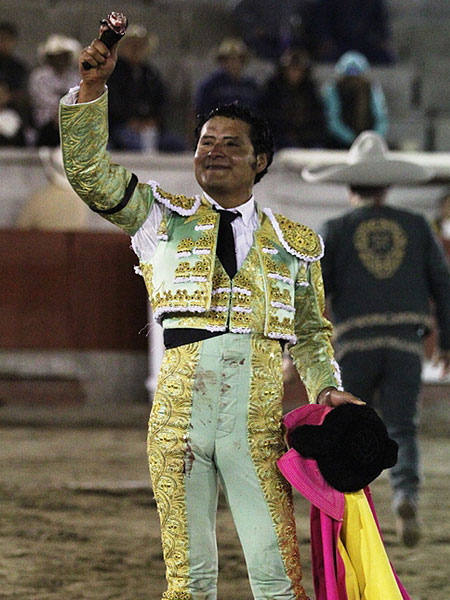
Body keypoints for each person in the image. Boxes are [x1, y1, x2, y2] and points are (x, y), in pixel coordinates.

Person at [59, 30, 363, 600]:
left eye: (230, 143)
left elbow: (310, 335)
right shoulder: (158, 218)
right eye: (205, 142)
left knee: (278, 578)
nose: (213, 151)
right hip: (176, 424)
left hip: (257, 428)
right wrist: (92, 91)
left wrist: (327, 390)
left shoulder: (295, 244)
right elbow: (89, 174)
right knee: (188, 581)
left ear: (260, 160)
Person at [303, 130, 450, 547]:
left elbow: (314, 293)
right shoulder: (416, 226)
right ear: (387, 186)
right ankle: (405, 495)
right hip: (405, 344)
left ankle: (349, 509)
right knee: (402, 424)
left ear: (350, 186)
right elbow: (443, 285)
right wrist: (447, 343)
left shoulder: (335, 229)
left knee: (349, 425)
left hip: (354, 345)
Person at [106, 25, 183, 153]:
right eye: (132, 44)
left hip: (150, 127)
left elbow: (162, 101)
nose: (136, 48)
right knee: (134, 145)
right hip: (121, 126)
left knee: (176, 145)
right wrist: (130, 121)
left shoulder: (151, 73)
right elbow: (112, 102)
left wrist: (154, 120)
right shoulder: (113, 73)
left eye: (140, 45)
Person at [258, 48, 326, 149]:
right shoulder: (273, 89)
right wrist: (286, 131)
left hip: (307, 137)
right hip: (279, 137)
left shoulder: (310, 90)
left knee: (318, 149)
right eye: (291, 69)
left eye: (298, 70)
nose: (294, 73)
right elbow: (267, 115)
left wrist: (306, 133)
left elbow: (317, 116)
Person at [322, 51, 388, 149]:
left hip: (368, 143)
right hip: (338, 144)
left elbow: (381, 117)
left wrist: (372, 138)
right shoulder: (333, 88)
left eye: (357, 76)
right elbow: (333, 119)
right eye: (348, 76)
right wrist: (351, 138)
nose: (353, 79)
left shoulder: (371, 88)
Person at [29, 34, 81, 146]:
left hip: (72, 121)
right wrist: (59, 112)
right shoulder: (39, 76)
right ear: (50, 58)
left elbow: (78, 99)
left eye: (63, 56)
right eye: (56, 56)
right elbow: (43, 100)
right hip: (45, 123)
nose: (60, 60)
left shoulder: (76, 77)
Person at [311, 0, 395, 64]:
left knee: (385, 58)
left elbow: (381, 27)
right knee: (327, 58)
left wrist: (381, 41)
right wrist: (325, 42)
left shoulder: (374, 2)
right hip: (338, 44)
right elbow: (321, 24)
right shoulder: (328, 2)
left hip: (365, 44)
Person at [194, 37, 259, 116]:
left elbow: (256, 110)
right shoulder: (211, 85)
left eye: (238, 59)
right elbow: (201, 109)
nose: (234, 63)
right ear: (223, 61)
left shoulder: (250, 86)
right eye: (229, 59)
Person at [0, 22, 29, 123]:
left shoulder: (19, 67)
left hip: (13, 110)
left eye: (7, 40)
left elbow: (22, 93)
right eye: (1, 39)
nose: (4, 44)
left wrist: (8, 97)